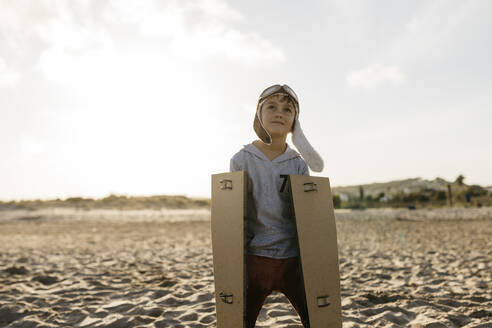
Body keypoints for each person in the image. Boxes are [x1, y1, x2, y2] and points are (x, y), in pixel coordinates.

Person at [229, 84, 324, 328]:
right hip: (255, 259)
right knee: (242, 320)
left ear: (295, 122)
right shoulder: (242, 159)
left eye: (287, 109)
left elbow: (307, 214)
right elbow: (234, 214)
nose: (279, 113)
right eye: (271, 107)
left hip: (292, 259)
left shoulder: (297, 164)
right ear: (259, 115)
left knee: (314, 318)